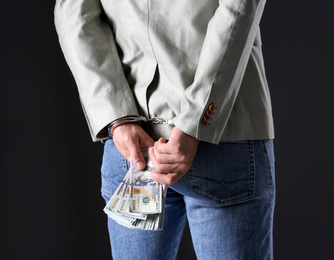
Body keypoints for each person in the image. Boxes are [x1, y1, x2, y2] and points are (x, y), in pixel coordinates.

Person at [55, 0, 275, 259]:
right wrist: (196, 119)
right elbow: (239, 7)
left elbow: (74, 15)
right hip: (223, 133)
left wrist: (116, 117)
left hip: (134, 142)